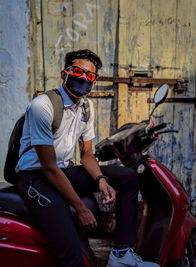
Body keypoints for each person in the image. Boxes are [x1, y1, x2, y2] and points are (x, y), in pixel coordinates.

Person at [16, 49, 159, 267]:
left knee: (128, 177)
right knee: (71, 253)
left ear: (94, 81)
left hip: (62, 171)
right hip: (35, 178)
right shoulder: (42, 106)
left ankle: (121, 254)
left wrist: (101, 180)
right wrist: (81, 209)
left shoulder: (86, 107)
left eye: (90, 75)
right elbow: (48, 167)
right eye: (78, 71)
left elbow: (87, 155)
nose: (83, 78)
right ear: (65, 74)